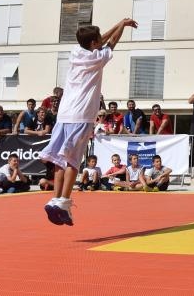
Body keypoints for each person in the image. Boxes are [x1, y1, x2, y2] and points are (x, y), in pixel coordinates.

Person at [40, 17, 136, 225]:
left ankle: (55, 198)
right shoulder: (97, 58)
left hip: (63, 115)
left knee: (58, 160)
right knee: (73, 161)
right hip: (81, 115)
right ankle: (64, 202)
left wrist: (118, 23)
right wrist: (122, 25)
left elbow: (99, 40)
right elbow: (110, 43)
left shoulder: (76, 52)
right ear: (93, 44)